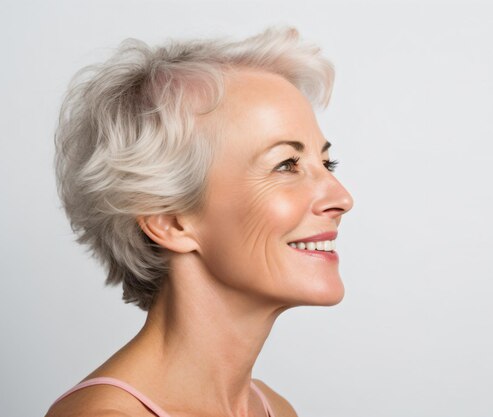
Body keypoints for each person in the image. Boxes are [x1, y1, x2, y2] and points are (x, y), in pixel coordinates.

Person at [46, 26, 354, 417]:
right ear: (170, 220)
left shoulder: (272, 409)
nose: (342, 198)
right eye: (286, 165)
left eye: (327, 163)